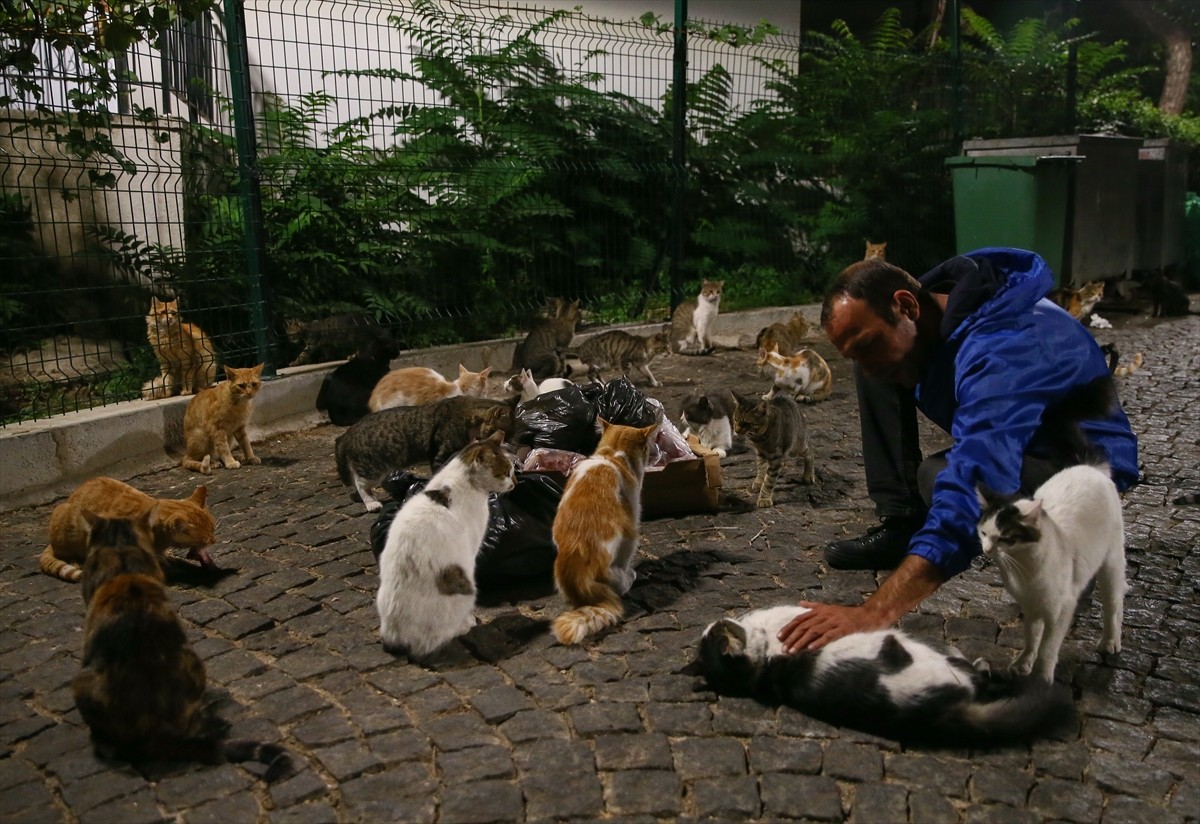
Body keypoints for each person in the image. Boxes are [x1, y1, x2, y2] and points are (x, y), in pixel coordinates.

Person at [778, 248, 1138, 653]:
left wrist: (873, 613)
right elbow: (883, 355)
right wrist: (871, 352)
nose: (868, 362)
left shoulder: (1003, 347)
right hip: (1029, 442)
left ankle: (1072, 559)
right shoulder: (932, 317)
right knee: (876, 365)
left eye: (868, 341)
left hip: (1084, 469)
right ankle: (901, 524)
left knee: (939, 476)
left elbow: (977, 479)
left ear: (906, 305)